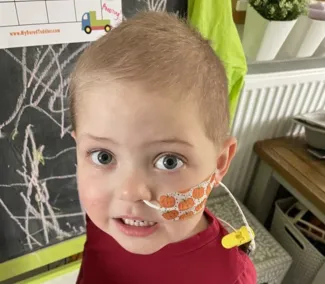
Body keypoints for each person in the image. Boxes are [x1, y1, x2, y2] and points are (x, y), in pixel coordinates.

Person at [69, 11, 256, 284]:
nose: (130, 192)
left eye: (169, 161)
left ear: (219, 163)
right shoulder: (107, 218)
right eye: (103, 156)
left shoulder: (230, 276)